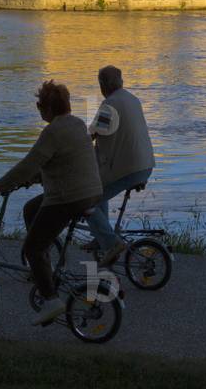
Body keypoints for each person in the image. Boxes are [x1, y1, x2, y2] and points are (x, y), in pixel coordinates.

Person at [0, 79, 102, 326]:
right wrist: (37, 178)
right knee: (31, 209)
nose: (38, 109)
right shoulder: (77, 123)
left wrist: (0, 185)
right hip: (90, 191)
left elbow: (29, 163)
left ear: (48, 108)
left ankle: (51, 300)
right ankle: (44, 267)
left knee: (32, 248)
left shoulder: (52, 132)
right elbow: (63, 162)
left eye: (40, 105)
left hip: (68, 197)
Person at [86, 65, 156, 264]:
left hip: (128, 169)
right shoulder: (133, 99)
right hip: (146, 165)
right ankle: (101, 237)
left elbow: (91, 135)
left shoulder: (110, 105)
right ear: (121, 82)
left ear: (102, 86)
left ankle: (110, 243)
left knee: (88, 200)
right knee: (99, 188)